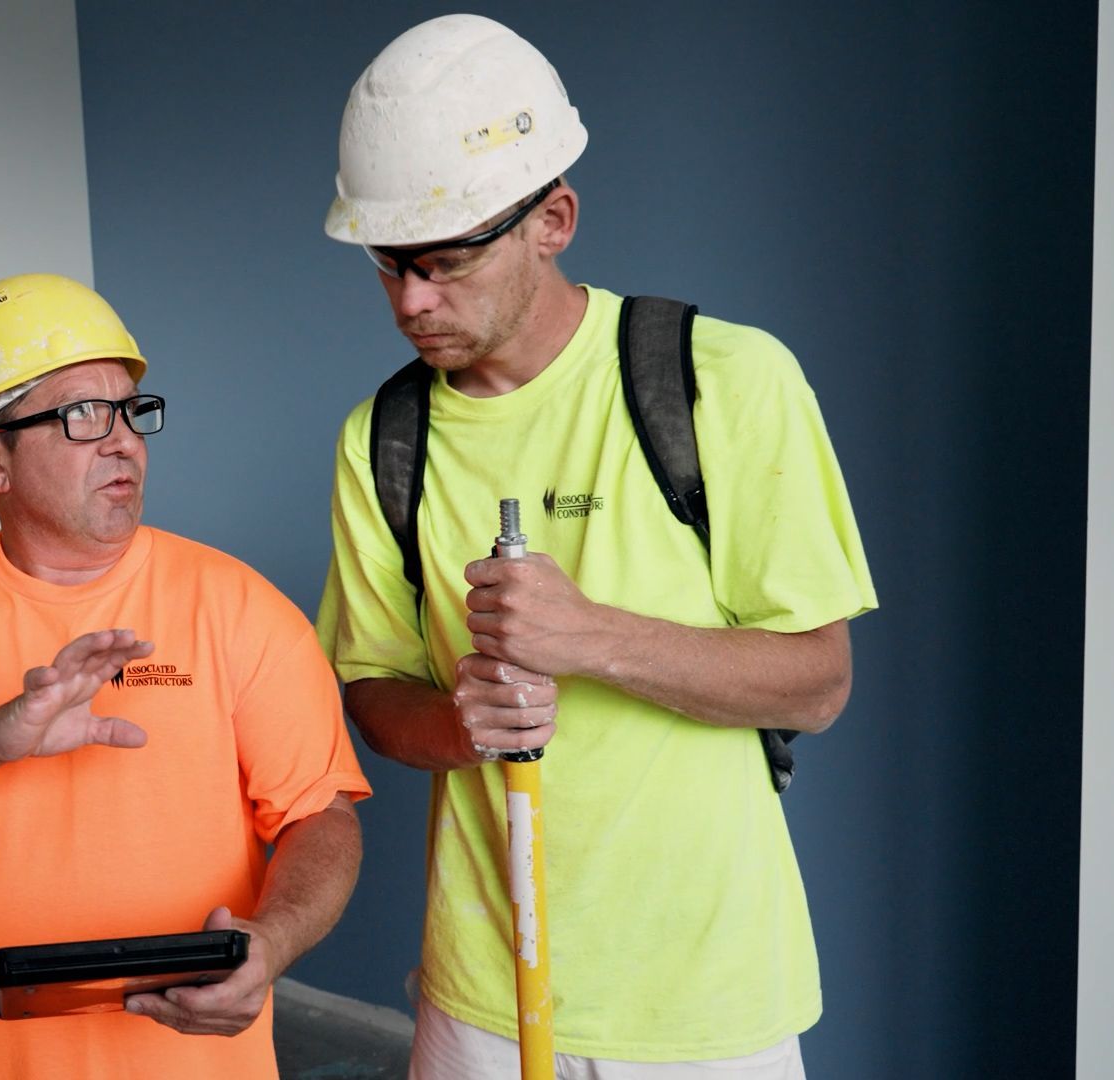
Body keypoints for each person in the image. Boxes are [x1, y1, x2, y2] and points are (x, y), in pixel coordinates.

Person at [315, 16, 877, 1079]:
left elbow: (816, 684)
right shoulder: (382, 440)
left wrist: (593, 637)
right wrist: (459, 721)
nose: (410, 303)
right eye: (388, 266)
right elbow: (374, 693)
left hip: (706, 1002)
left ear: (553, 219)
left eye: (442, 262)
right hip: (483, 989)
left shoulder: (726, 380)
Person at [0, 273, 370, 1079]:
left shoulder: (238, 606)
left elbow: (320, 817)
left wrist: (272, 941)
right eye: (82, 416)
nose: (123, 439)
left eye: (130, 411)